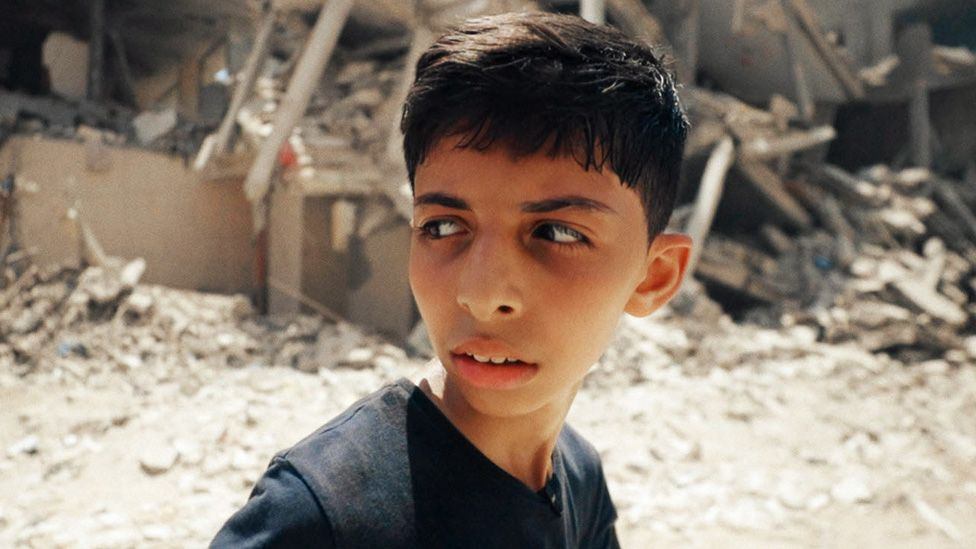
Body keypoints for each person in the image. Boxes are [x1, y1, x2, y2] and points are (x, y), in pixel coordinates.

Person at [211, 10, 690, 548]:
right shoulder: (321, 516)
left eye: (556, 233)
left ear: (654, 276)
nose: (481, 295)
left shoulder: (578, 478)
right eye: (442, 226)